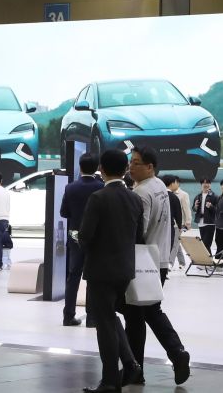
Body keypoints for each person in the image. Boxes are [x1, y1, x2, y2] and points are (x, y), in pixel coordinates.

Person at [124, 146, 191, 386]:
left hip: (143, 262)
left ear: (150, 167)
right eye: (130, 162)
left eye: (136, 163)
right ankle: (175, 353)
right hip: (159, 259)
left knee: (135, 315)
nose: (131, 167)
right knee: (150, 311)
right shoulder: (160, 186)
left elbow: (138, 231)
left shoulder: (141, 192)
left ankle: (136, 369)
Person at [79, 148, 144, 393]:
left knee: (104, 323)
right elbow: (138, 236)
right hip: (125, 270)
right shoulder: (135, 199)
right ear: (125, 169)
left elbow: (85, 236)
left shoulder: (98, 198)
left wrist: (81, 241)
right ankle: (130, 363)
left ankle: (109, 380)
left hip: (101, 270)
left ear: (102, 169)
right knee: (110, 316)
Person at [60, 153, 103, 327]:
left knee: (73, 275)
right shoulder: (101, 187)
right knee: (92, 277)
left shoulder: (70, 188)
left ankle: (68, 315)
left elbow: (64, 212)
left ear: (80, 166)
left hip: (75, 235)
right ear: (97, 167)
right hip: (95, 237)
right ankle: (91, 317)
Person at [164, 174, 191, 270]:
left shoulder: (183, 194)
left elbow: (186, 209)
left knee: (175, 244)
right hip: (168, 225)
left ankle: (170, 263)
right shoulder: (165, 194)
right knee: (176, 244)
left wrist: (188, 222)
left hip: (177, 224)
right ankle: (182, 262)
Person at [161, 174, 184, 268]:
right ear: (172, 183)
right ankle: (165, 267)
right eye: (175, 182)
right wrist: (179, 226)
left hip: (158, 226)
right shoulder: (174, 197)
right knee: (169, 246)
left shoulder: (159, 195)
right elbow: (178, 214)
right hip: (169, 227)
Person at [192, 178, 218, 253]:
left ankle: (207, 259)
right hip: (200, 222)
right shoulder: (198, 196)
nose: (206, 185)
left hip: (210, 223)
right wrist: (195, 206)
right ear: (201, 184)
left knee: (206, 244)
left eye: (208, 183)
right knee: (203, 244)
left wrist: (211, 206)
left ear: (210, 184)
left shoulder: (214, 196)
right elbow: (194, 209)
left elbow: (218, 210)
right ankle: (207, 259)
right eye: (204, 183)